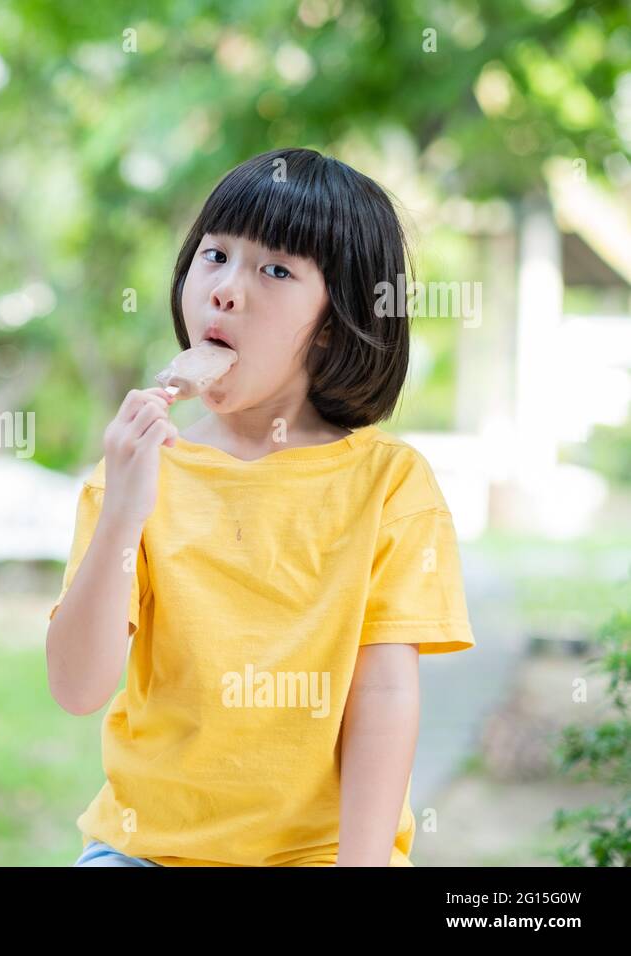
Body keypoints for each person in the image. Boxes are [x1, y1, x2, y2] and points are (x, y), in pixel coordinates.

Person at [48, 147, 476, 867]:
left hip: (324, 854)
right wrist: (123, 509)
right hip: (147, 851)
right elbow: (77, 687)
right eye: (215, 255)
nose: (226, 289)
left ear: (335, 322)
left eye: (275, 270)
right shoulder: (133, 477)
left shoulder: (390, 485)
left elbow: (385, 695)